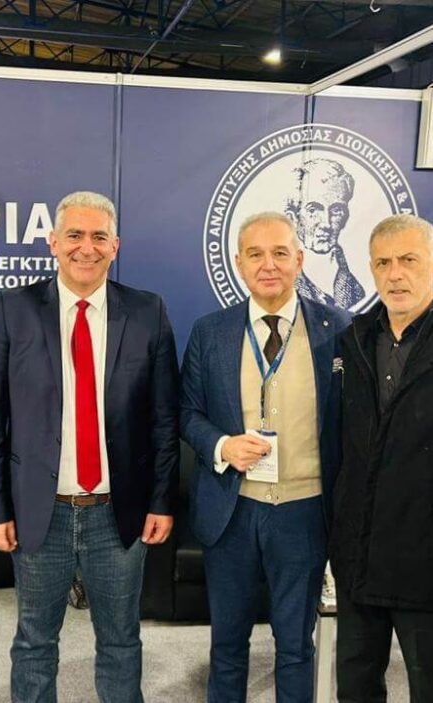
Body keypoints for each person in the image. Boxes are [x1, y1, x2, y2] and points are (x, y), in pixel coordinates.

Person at [0, 191, 179, 703]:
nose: (86, 247)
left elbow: (163, 419)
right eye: (75, 235)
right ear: (53, 243)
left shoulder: (147, 311)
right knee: (35, 642)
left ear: (115, 247)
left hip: (117, 512)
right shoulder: (14, 310)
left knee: (121, 641)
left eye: (99, 237)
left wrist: (160, 500)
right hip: (41, 512)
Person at [180, 212, 349, 703]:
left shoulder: (337, 329)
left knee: (295, 645)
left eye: (280, 253)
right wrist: (222, 446)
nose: (268, 265)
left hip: (304, 512)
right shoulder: (210, 331)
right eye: (255, 254)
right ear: (239, 262)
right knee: (227, 645)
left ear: (300, 259)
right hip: (231, 510)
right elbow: (187, 413)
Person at [330, 213, 433, 702]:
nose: (396, 274)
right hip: (358, 555)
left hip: (424, 559)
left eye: (409, 260)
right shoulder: (353, 340)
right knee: (355, 687)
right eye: (383, 263)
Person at [284, 158, 364, 309]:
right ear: (292, 218)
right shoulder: (277, 285)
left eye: (336, 210)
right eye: (313, 210)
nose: (326, 224)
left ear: (345, 218)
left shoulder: (357, 292)